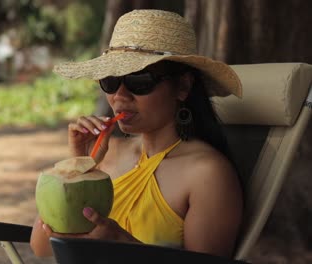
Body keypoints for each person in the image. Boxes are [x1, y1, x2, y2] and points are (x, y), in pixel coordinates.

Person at [30, 9, 244, 258]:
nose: (119, 96)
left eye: (139, 80)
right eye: (110, 81)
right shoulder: (105, 156)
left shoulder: (207, 174)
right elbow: (42, 247)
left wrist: (122, 243)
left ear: (183, 86)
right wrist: (76, 166)